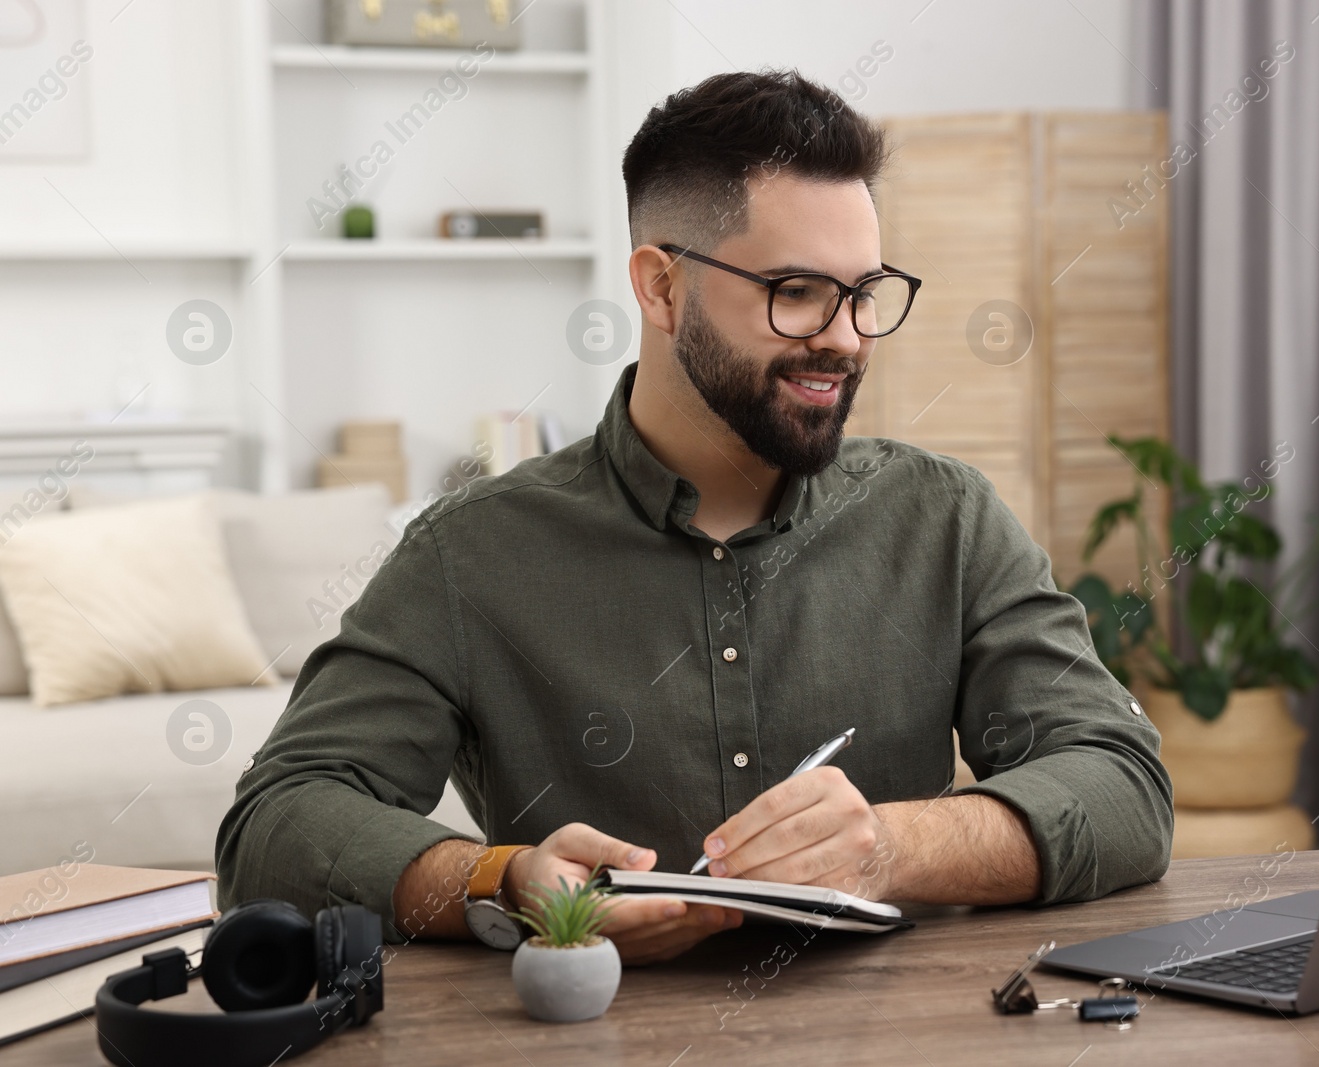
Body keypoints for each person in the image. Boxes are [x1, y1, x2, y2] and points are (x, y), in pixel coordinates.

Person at [216, 69, 1172, 965]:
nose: (843, 339)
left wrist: (892, 846)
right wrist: (499, 880)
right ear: (662, 287)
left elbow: (1123, 784)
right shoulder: (469, 554)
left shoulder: (947, 520)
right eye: (796, 293)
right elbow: (276, 822)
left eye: (865, 294)